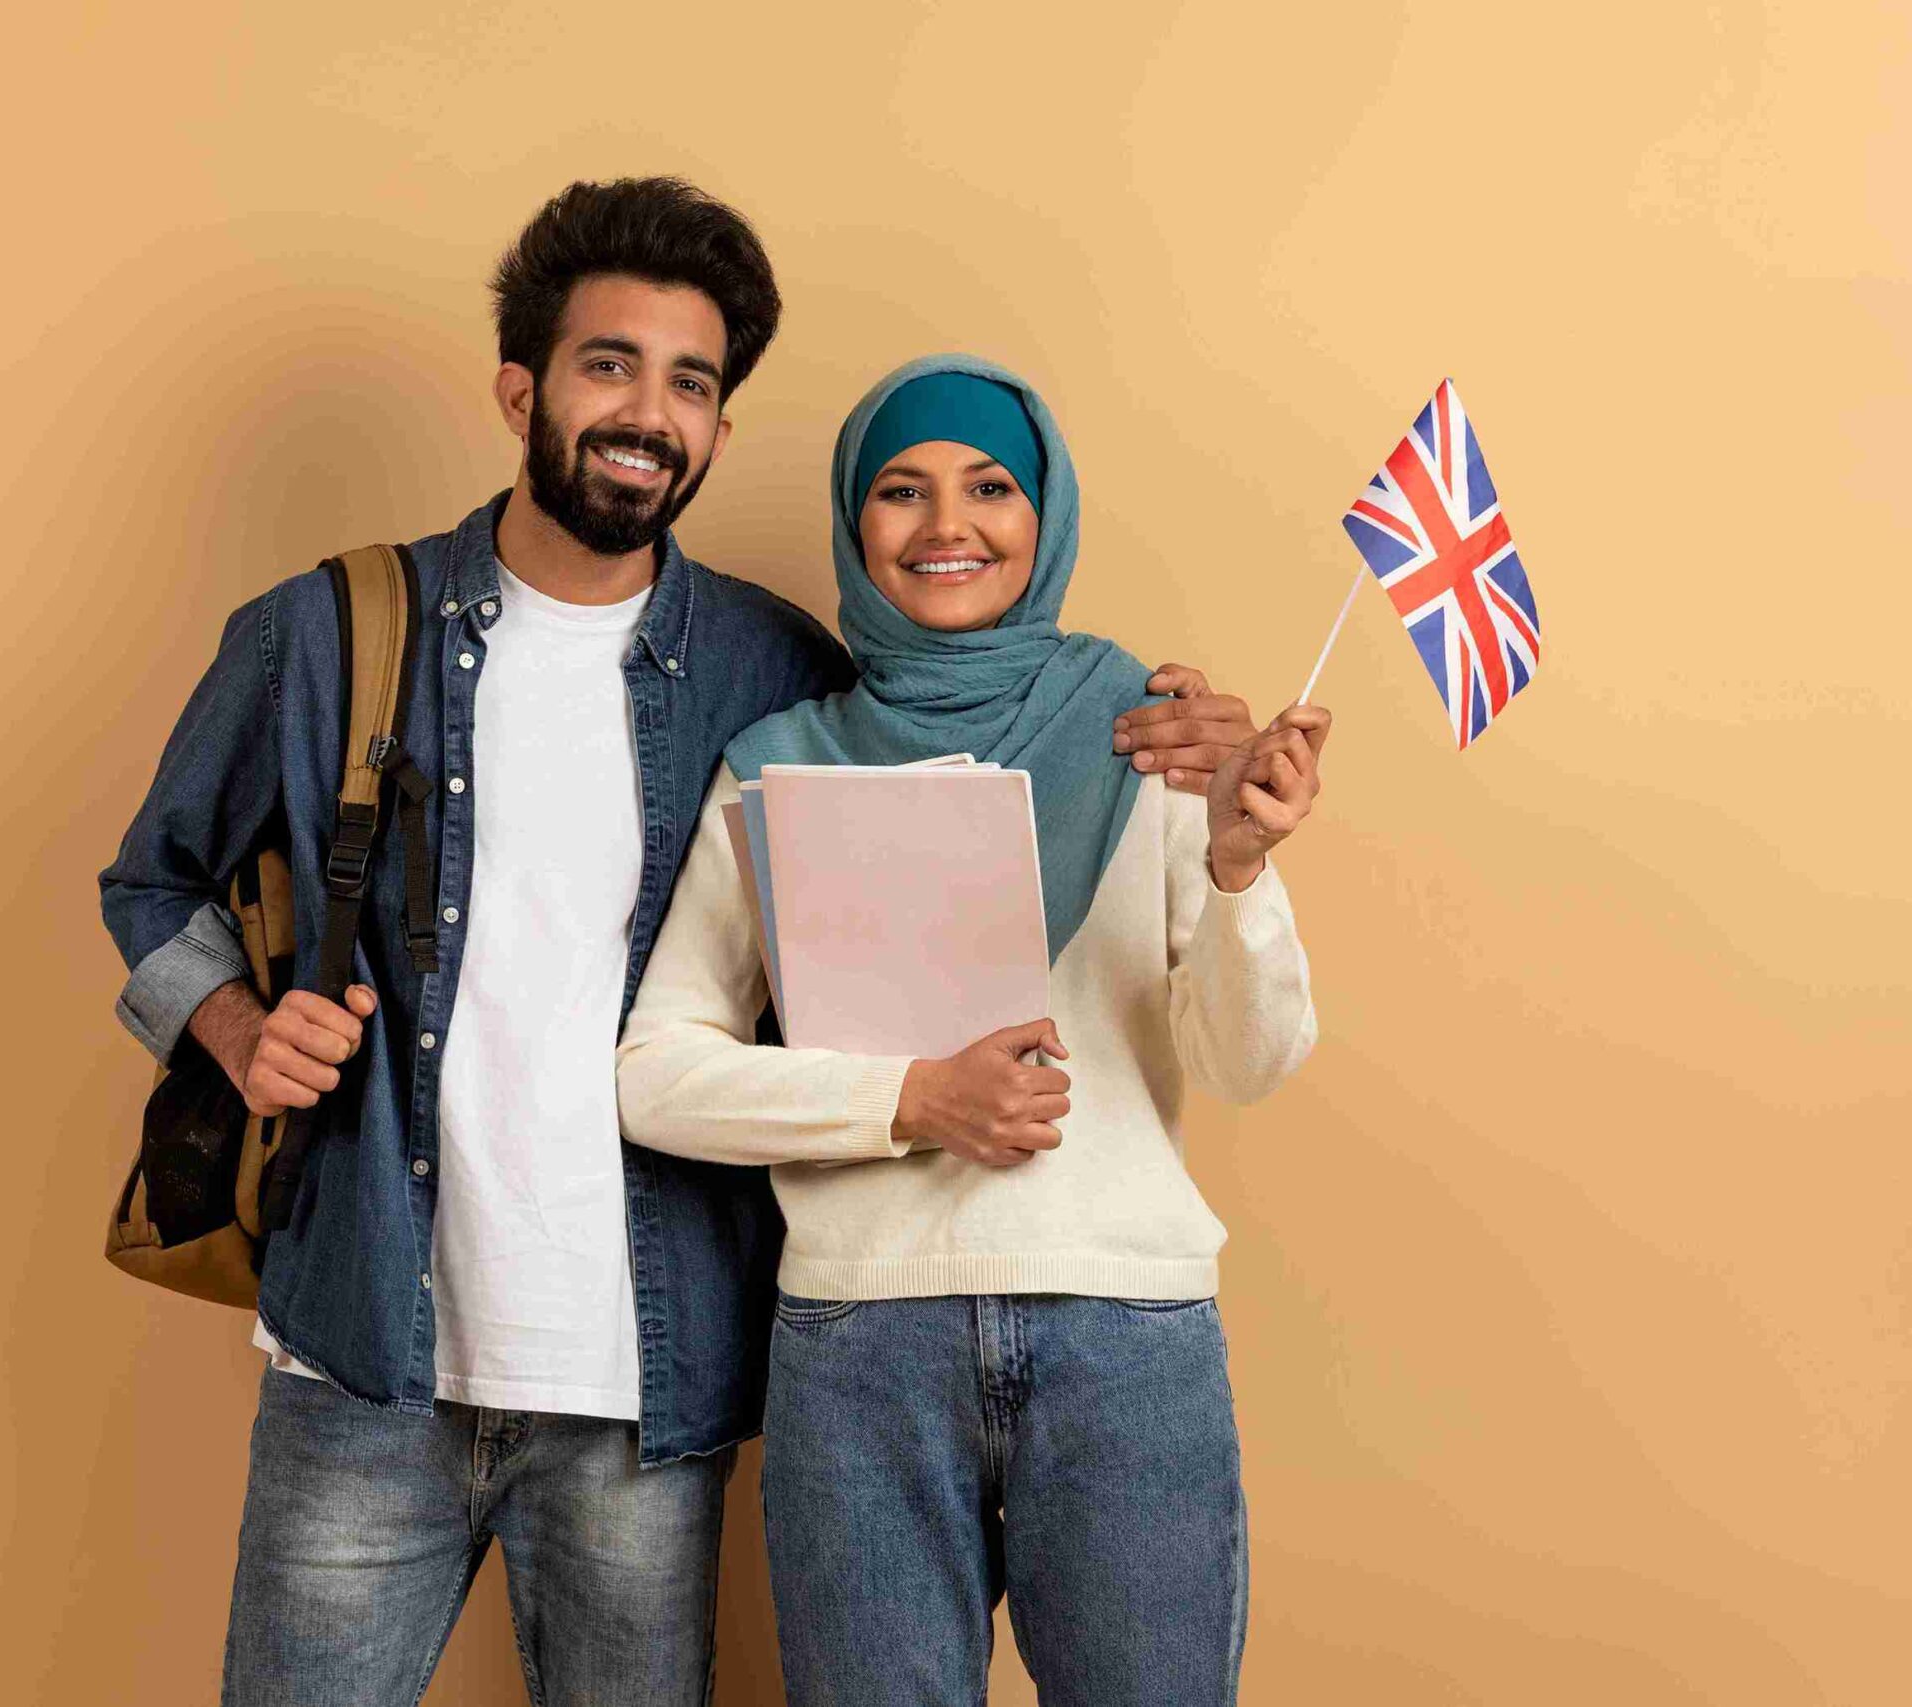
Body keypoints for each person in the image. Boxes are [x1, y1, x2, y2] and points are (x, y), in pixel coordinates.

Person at [98, 183, 1263, 1707]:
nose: (648, 413)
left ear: (717, 428)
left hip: (650, 1381)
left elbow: (964, 811)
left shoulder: (780, 677)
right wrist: (241, 1031)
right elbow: (152, 885)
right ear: (520, 390)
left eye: (692, 384)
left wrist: (1189, 774)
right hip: (365, 1352)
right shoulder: (330, 629)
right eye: (609, 366)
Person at [615, 353, 1330, 1706]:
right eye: (902, 490)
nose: (948, 525)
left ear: (1045, 515)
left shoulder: (1159, 738)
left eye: (991, 487)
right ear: (854, 522)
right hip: (861, 1348)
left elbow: (1249, 1062)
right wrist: (908, 1101)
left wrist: (1239, 865)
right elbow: (655, 1073)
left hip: (1125, 1335)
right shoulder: (779, 766)